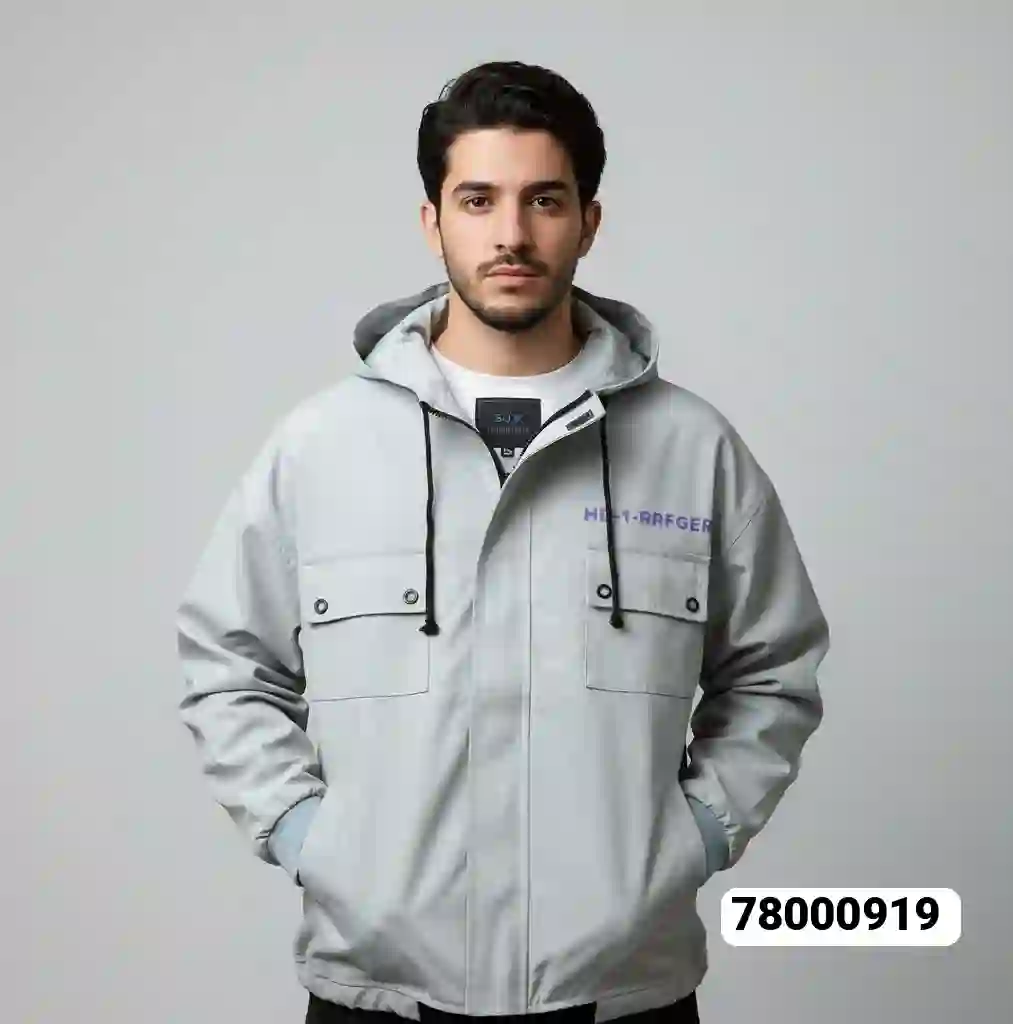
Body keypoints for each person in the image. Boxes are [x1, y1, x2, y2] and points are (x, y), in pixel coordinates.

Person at [176, 60, 830, 1024]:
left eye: (545, 200)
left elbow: (774, 670)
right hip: (377, 993)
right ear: (432, 220)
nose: (511, 234)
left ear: (589, 222)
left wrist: (692, 838)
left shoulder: (692, 450)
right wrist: (313, 839)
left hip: (624, 996)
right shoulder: (320, 448)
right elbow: (226, 667)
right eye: (477, 200)